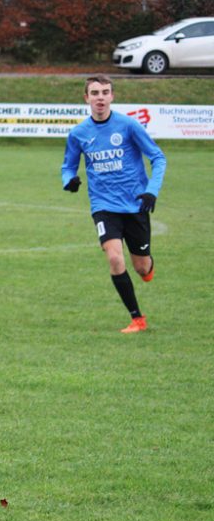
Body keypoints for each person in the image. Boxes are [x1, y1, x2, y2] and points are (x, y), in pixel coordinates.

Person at [61, 75, 166, 334]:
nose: (100, 97)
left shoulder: (128, 126)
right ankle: (137, 318)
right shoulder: (78, 133)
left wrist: (151, 191)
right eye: (95, 93)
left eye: (105, 92)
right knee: (115, 258)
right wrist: (69, 180)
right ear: (86, 98)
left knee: (142, 267)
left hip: (135, 204)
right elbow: (68, 165)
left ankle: (147, 268)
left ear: (112, 96)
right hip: (103, 206)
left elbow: (158, 157)